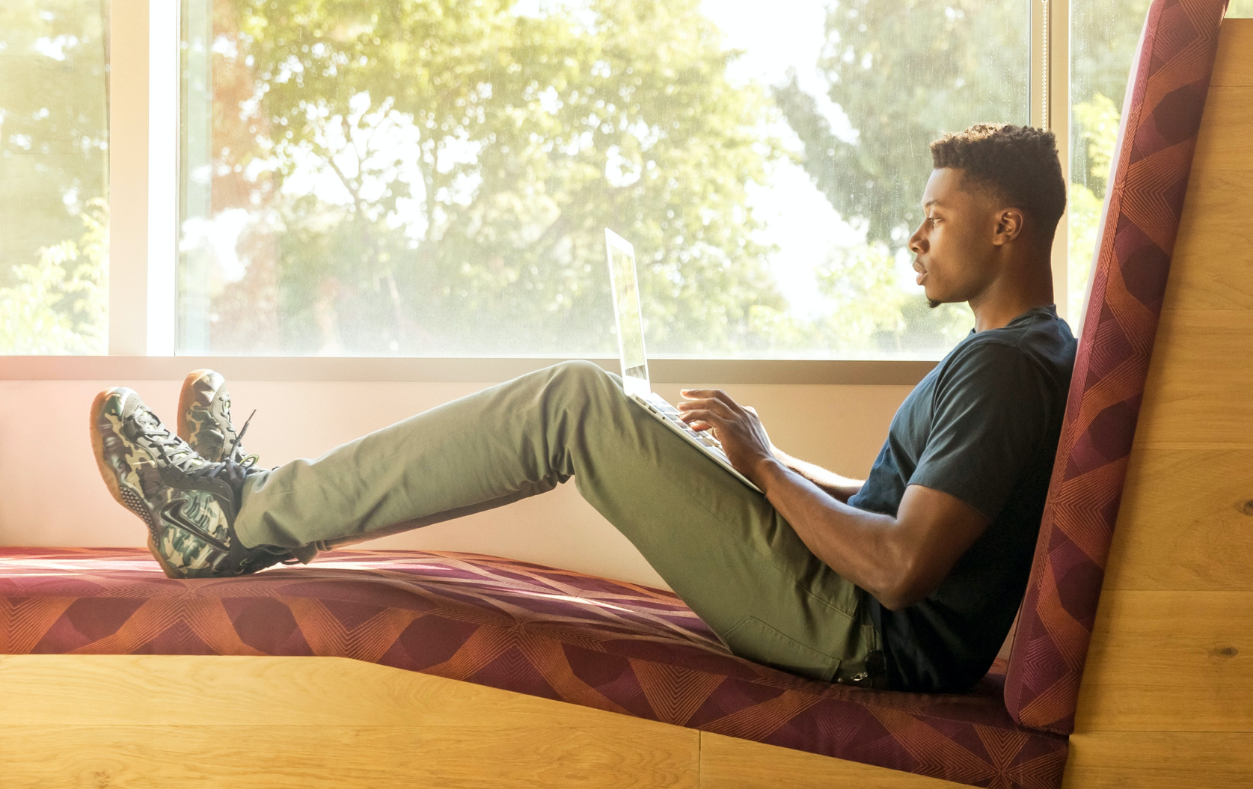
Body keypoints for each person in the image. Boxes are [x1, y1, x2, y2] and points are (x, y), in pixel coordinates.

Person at [89, 123, 1076, 694]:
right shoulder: (1017, 360)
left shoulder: (1001, 371)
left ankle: (243, 519)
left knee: (570, 402)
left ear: (1003, 225)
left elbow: (901, 570)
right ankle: (255, 511)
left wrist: (767, 467)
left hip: (859, 639)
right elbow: (889, 507)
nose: (914, 238)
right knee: (599, 404)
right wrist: (752, 457)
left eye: (935, 219)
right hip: (848, 610)